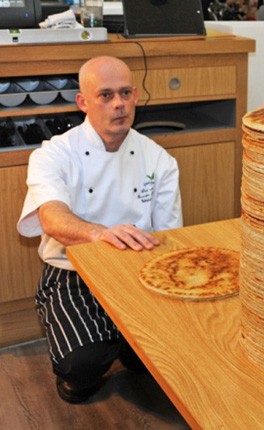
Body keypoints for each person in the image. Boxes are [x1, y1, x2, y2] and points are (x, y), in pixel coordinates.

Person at [17, 56, 183, 403]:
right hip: (71, 271)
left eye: (125, 93)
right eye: (105, 95)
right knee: (82, 365)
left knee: (161, 355)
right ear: (83, 102)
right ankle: (101, 345)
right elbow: (52, 218)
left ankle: (125, 342)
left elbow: (170, 236)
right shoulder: (54, 154)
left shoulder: (159, 160)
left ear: (136, 95)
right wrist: (99, 233)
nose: (119, 104)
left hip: (138, 269)